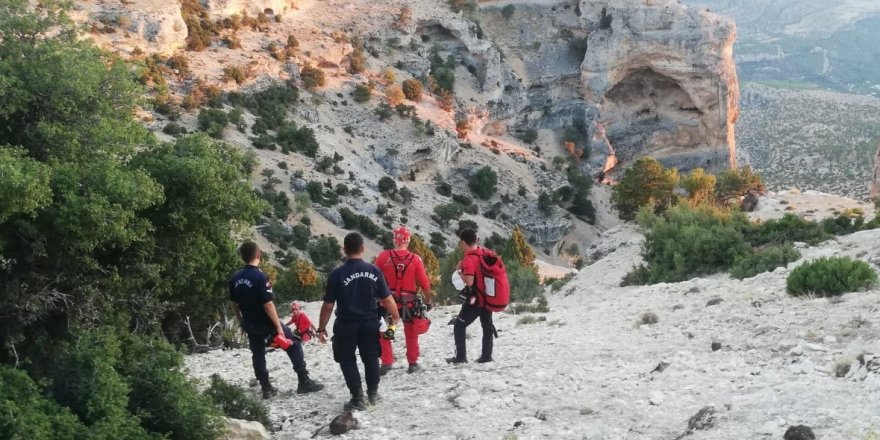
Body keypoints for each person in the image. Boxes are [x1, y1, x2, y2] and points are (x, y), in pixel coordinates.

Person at [229, 241, 324, 399]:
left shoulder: (234, 278)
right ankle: (304, 381)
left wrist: (241, 321)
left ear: (242, 257)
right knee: (294, 344)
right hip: (266, 323)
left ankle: (266, 388)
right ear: (258, 255)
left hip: (250, 324)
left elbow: (233, 303)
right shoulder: (260, 276)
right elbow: (268, 305)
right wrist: (279, 328)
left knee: (257, 353)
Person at [318, 232, 401, 411]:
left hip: (346, 324)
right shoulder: (374, 271)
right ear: (363, 249)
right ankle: (373, 393)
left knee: (347, 360)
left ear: (344, 250)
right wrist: (396, 316)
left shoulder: (336, 274)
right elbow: (387, 299)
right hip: (369, 322)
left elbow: (327, 306)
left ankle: (357, 397)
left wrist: (321, 327)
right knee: (371, 358)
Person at [374, 226, 433, 375]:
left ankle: (386, 362)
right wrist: (428, 300)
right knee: (411, 332)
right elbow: (425, 283)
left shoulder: (383, 256)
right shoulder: (415, 259)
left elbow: (373, 278)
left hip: (388, 302)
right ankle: (412, 363)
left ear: (394, 239)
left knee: (385, 330)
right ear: (408, 240)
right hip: (409, 303)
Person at [446, 228, 496, 364]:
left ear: (463, 243)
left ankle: (460, 357)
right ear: (477, 240)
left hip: (475, 300)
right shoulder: (484, 253)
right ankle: (486, 356)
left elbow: (469, 281)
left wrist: (459, 270)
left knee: (459, 325)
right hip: (488, 297)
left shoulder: (468, 259)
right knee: (487, 326)